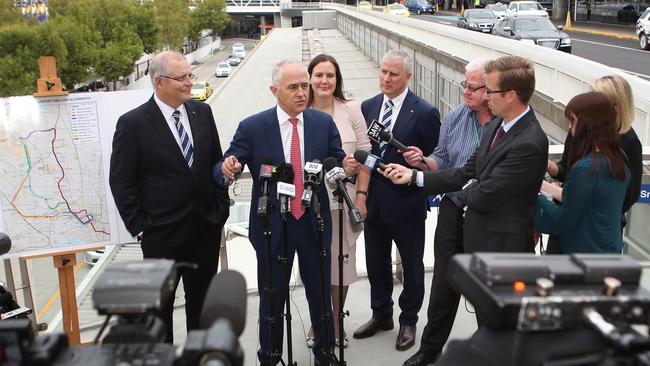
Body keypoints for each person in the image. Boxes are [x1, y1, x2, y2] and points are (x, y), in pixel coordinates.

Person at [213, 60, 351, 366]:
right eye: (294, 87)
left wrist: (345, 167)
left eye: (305, 85)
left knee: (320, 296)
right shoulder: (252, 127)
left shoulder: (321, 123)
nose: (302, 92)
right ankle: (271, 355)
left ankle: (325, 353)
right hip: (272, 226)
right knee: (272, 298)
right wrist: (228, 168)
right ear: (274, 90)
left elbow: (336, 160)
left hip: (313, 221)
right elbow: (225, 165)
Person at [380, 55, 548, 281]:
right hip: (477, 238)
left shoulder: (529, 142)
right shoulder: (498, 124)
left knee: (496, 317)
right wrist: (414, 177)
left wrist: (471, 185)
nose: (486, 96)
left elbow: (485, 195)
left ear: (510, 96)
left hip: (502, 250)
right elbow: (466, 172)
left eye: (490, 91)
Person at [109, 51, 230, 343]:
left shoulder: (203, 113)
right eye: (182, 78)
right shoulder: (133, 124)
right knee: (160, 313)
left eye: (190, 75)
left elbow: (214, 162)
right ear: (160, 82)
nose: (190, 82)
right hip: (161, 235)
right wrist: (141, 227)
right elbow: (122, 181)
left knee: (202, 307)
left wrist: (221, 204)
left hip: (205, 228)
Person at [400, 57, 493, 366]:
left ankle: (492, 352)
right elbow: (441, 158)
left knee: (486, 287)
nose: (465, 90)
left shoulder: (505, 126)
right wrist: (422, 163)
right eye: (463, 84)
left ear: (491, 88)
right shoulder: (455, 116)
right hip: (453, 210)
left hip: (487, 216)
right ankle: (430, 351)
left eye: (472, 86)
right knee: (443, 284)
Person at [353, 49, 441, 352]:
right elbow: (365, 153)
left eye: (393, 74)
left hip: (407, 204)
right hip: (373, 202)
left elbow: (435, 162)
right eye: (383, 71)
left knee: (413, 267)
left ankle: (408, 320)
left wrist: (420, 160)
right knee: (375, 263)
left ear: (408, 77)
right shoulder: (368, 106)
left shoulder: (426, 112)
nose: (386, 78)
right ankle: (381, 315)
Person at [304, 54, 372, 349]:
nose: (324, 81)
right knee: (313, 265)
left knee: (339, 267)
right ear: (309, 78)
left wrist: (361, 196)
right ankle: (317, 319)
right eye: (318, 75)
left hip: (342, 204)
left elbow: (365, 157)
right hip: (307, 206)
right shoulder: (299, 111)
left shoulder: (351, 109)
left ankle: (334, 321)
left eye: (330, 75)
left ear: (337, 79)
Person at [546, 75, 642, 252]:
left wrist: (595, 211)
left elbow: (630, 194)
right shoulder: (577, 132)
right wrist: (550, 166)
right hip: (570, 226)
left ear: (615, 108)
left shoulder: (629, 142)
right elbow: (567, 170)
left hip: (593, 232)